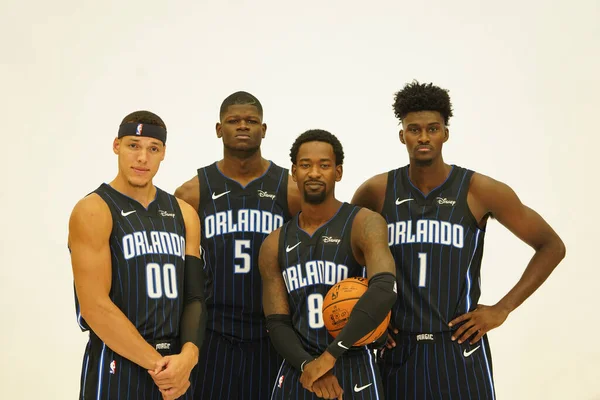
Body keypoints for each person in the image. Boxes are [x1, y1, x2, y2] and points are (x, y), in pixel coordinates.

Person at [351, 81, 567, 399]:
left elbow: (551, 246)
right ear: (401, 135)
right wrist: (371, 318)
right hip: (396, 348)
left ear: (445, 133)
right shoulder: (376, 191)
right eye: (414, 129)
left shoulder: (479, 190)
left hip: (459, 346)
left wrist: (503, 308)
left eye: (432, 128)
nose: (423, 137)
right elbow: (350, 259)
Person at [69, 111, 207, 400]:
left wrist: (189, 356)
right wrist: (159, 367)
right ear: (116, 145)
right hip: (118, 363)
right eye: (134, 145)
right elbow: (94, 306)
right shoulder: (94, 210)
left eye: (153, 148)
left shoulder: (184, 214)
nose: (143, 157)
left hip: (176, 367)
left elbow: (195, 297)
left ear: (163, 153)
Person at [175, 91, 301, 399]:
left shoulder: (290, 189)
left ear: (264, 129)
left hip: (272, 331)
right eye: (233, 121)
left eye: (251, 121)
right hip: (212, 332)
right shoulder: (192, 192)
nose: (242, 126)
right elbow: (179, 270)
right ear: (219, 129)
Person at [259, 129, 397, 399]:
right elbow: (276, 322)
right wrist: (309, 365)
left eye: (324, 165)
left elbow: (385, 288)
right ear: (294, 172)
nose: (314, 173)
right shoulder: (273, 243)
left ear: (338, 172)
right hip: (299, 367)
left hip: (353, 363)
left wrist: (330, 356)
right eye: (306, 165)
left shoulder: (363, 223)